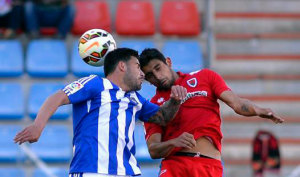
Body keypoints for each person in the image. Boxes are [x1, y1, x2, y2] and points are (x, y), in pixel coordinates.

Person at [14, 48, 187, 177]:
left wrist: (175, 100)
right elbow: (58, 97)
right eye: (138, 67)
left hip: (128, 172)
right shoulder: (95, 84)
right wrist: (38, 126)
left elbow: (163, 117)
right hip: (92, 170)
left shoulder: (136, 99)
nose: (143, 74)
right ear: (122, 66)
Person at [138, 48, 284, 177]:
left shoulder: (205, 77)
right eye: (150, 75)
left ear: (168, 62)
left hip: (208, 165)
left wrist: (258, 110)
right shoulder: (152, 106)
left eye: (158, 68)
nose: (157, 76)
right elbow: (154, 150)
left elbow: (237, 103)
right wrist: (174, 142)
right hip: (174, 166)